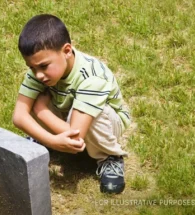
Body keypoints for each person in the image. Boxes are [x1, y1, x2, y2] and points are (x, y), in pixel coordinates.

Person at [12, 14, 131, 194]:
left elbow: (76, 137)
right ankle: (47, 142)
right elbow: (19, 116)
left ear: (67, 51)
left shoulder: (92, 76)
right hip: (68, 117)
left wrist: (41, 110)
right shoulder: (40, 71)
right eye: (32, 68)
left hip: (102, 125)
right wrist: (52, 140)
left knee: (94, 114)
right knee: (36, 96)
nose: (38, 75)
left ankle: (109, 157)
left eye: (43, 66)